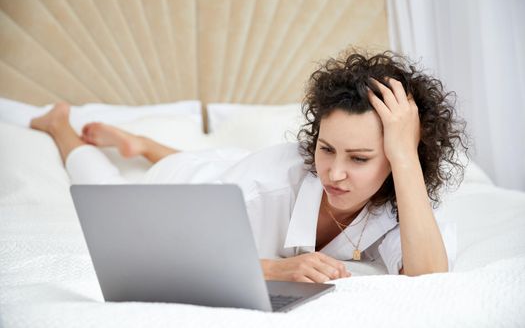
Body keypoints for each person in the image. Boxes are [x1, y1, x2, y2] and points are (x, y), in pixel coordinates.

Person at [30, 50, 468, 282]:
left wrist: (406, 156)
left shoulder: (401, 196)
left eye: (359, 158)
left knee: (222, 161)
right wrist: (276, 269)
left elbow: (429, 277)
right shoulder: (264, 186)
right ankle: (60, 126)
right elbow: (173, 254)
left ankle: (143, 144)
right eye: (326, 148)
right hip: (191, 186)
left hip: (233, 168)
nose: (334, 173)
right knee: (108, 188)